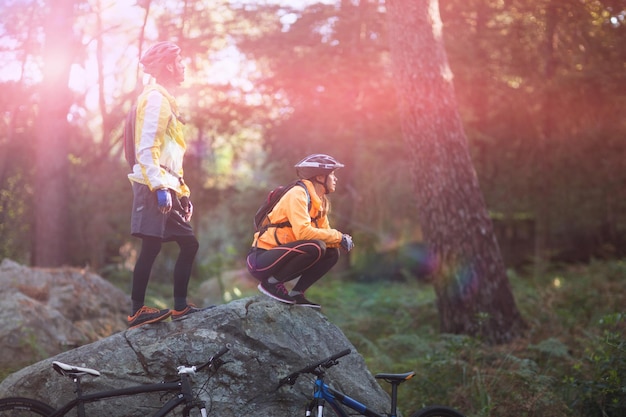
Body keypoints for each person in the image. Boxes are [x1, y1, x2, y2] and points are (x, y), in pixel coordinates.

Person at [126, 41, 207, 328]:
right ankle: (138, 311)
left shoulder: (166, 100)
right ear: (168, 66)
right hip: (153, 183)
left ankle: (180, 307)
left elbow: (172, 154)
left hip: (167, 183)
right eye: (180, 60)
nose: (184, 65)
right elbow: (146, 147)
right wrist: (159, 188)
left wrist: (182, 192)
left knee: (187, 243)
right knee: (153, 246)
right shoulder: (156, 98)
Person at [246, 154, 355, 309]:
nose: (335, 179)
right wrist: (339, 236)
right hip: (261, 259)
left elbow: (326, 233)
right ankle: (271, 284)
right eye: (332, 174)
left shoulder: (319, 201)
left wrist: (340, 240)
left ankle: (297, 293)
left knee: (332, 252)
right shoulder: (298, 193)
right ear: (319, 177)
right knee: (316, 246)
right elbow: (303, 234)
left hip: (283, 256)